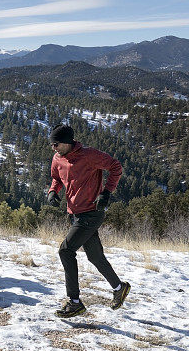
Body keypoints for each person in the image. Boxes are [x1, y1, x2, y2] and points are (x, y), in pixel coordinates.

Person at [46, 124, 130, 318]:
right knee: (95, 257)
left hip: (92, 212)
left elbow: (116, 167)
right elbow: (56, 178)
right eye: (51, 144)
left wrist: (107, 193)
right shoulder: (58, 158)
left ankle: (74, 302)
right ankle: (119, 287)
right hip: (74, 212)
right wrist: (52, 191)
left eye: (56, 144)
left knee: (66, 251)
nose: (53, 148)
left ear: (67, 142)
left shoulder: (89, 155)